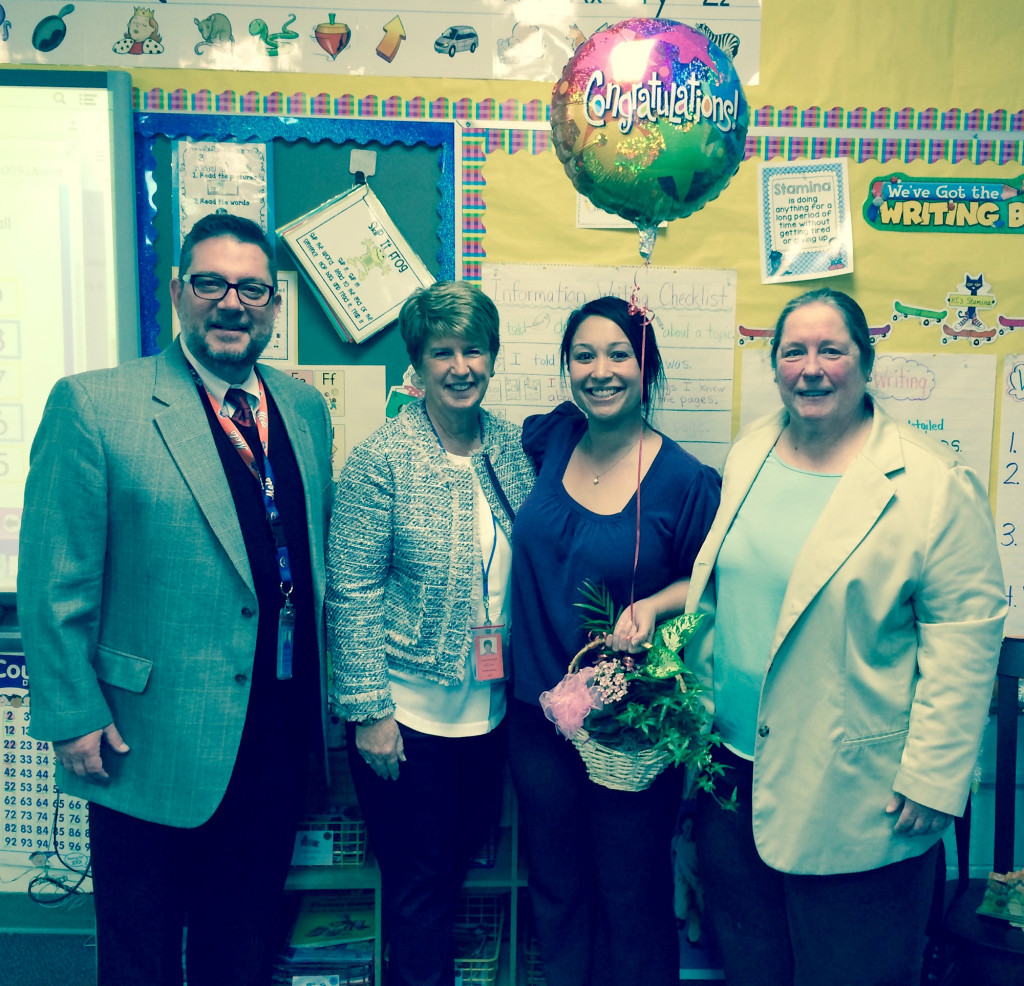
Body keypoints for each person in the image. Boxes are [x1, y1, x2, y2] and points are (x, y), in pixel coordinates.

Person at [17, 213, 335, 986]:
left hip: (274, 735)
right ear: (176, 292)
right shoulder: (96, 406)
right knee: (141, 955)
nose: (233, 302)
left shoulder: (303, 410)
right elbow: (53, 580)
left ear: (273, 303)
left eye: (252, 288)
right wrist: (72, 714)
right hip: (143, 739)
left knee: (243, 947)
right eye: (211, 283)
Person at [686, 287, 1007, 986]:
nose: (811, 367)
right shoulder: (752, 451)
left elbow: (966, 633)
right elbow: (723, 590)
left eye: (831, 350)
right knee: (751, 970)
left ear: (866, 363)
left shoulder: (930, 484)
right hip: (733, 783)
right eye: (794, 351)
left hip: (856, 796)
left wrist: (933, 777)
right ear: (774, 366)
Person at [508, 296, 722, 986]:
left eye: (618, 354)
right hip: (535, 714)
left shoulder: (685, 481)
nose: (600, 371)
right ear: (567, 366)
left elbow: (708, 581)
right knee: (557, 889)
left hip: (628, 727)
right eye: (583, 355)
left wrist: (655, 605)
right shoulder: (552, 437)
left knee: (630, 896)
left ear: (646, 365)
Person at [326, 280, 534, 986]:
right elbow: (349, 592)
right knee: (419, 893)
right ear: (417, 363)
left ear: (493, 357)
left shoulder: (509, 448)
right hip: (406, 722)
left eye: (473, 349)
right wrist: (370, 714)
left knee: (453, 877)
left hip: (489, 715)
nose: (460, 366)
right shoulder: (379, 459)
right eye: (442, 352)